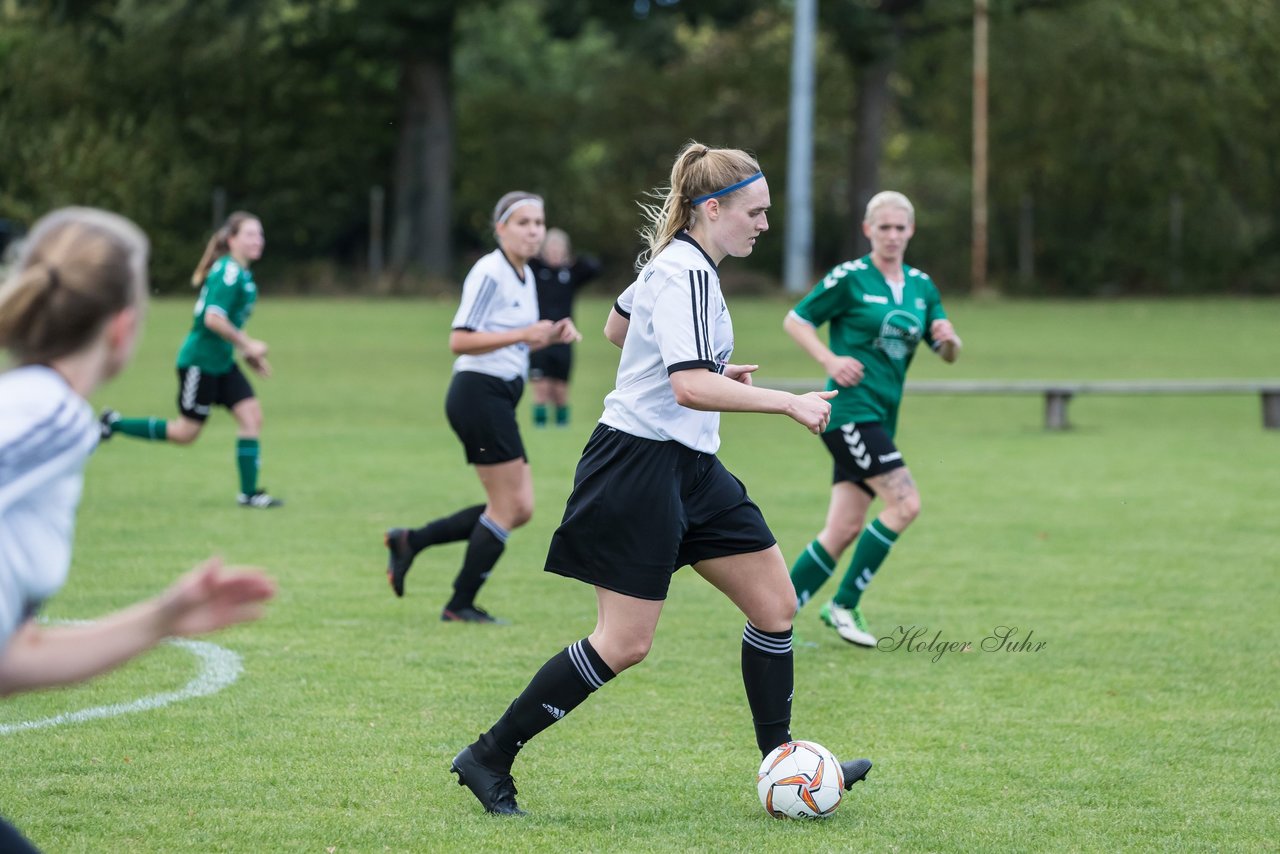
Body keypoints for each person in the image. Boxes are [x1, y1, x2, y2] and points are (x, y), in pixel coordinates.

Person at [448, 142, 872, 816]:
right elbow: (686, 387)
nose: (764, 224)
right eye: (755, 212)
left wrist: (708, 366)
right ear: (713, 209)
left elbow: (620, 329)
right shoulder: (685, 274)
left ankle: (786, 767)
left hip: (693, 470)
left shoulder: (678, 266)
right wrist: (786, 400)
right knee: (623, 643)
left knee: (776, 606)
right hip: (637, 469)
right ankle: (489, 756)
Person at [0, 207, 276, 853]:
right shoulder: (51, 417)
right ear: (124, 328)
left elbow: (13, 659)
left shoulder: (42, 410)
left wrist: (163, 617)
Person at [383, 192, 580, 623]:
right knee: (509, 507)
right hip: (478, 394)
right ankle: (459, 604)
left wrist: (546, 335)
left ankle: (410, 541)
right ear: (501, 228)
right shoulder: (490, 272)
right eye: (523, 222)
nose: (534, 231)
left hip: (498, 396)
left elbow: (514, 334)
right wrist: (525, 333)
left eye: (539, 222)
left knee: (518, 507)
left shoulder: (525, 275)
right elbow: (460, 338)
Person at [785, 191, 962, 647]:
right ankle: (843, 604)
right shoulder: (850, 278)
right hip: (849, 412)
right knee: (905, 505)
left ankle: (776, 612)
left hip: (883, 416)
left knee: (843, 528)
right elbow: (796, 319)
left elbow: (946, 354)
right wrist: (831, 358)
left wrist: (948, 338)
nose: (892, 235)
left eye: (900, 227)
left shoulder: (922, 287)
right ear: (868, 230)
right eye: (883, 227)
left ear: (911, 231)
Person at [98, 211, 283, 509]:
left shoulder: (242, 275)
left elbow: (230, 320)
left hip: (222, 362)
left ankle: (249, 494)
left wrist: (246, 352)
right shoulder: (228, 273)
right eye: (249, 234)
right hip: (200, 362)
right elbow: (213, 319)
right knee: (185, 433)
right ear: (231, 239)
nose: (257, 240)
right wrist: (248, 344)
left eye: (260, 234)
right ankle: (114, 423)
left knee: (252, 417)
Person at [527, 228, 600, 428]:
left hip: (563, 338)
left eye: (559, 250)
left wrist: (571, 261)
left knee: (560, 390)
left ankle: (561, 429)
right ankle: (539, 429)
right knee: (541, 389)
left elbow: (594, 266)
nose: (554, 254)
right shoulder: (534, 270)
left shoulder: (569, 273)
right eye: (551, 249)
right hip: (539, 337)